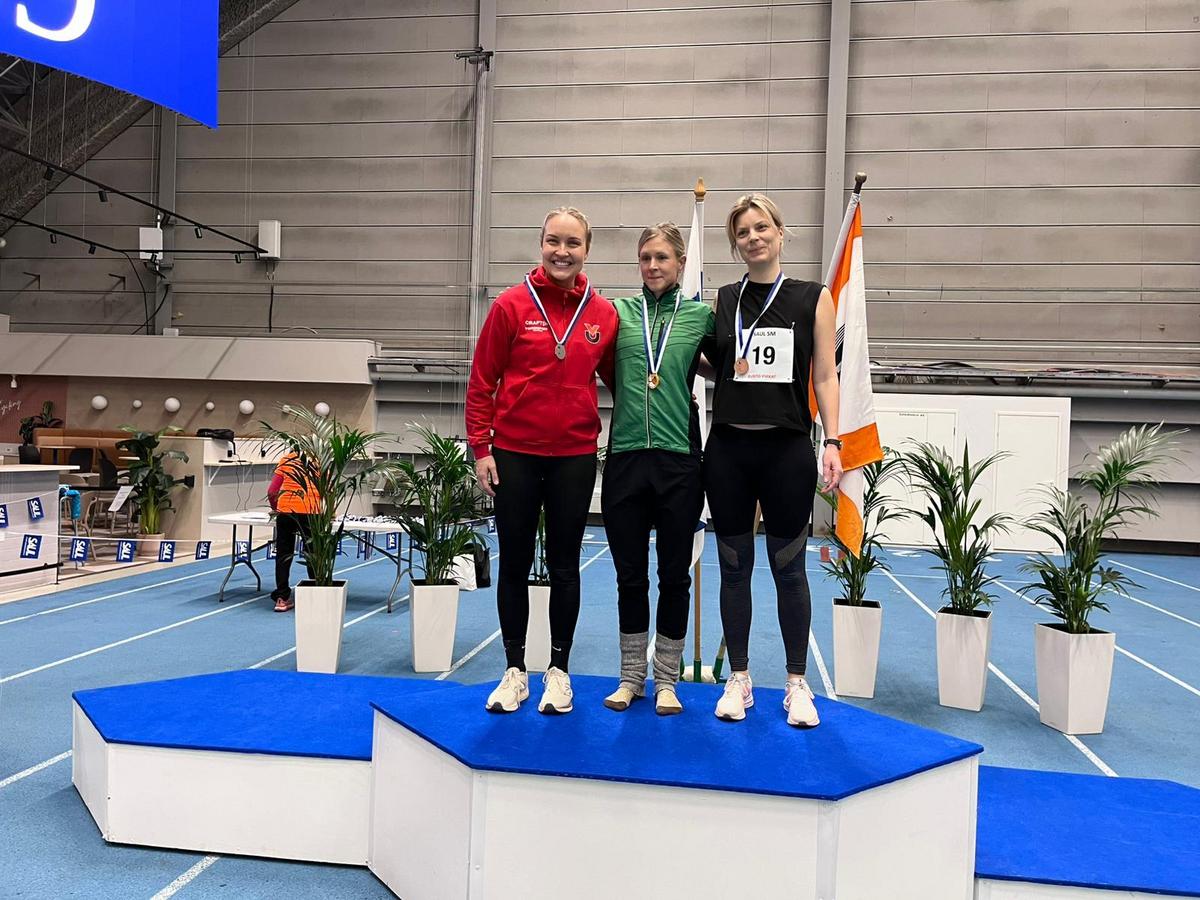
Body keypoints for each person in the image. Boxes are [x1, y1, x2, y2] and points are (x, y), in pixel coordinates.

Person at [466, 206, 618, 715]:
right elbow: (482, 381)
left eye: (573, 243)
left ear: (587, 250)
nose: (562, 252)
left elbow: (623, 379)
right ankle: (515, 671)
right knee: (513, 562)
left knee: (565, 566)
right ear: (541, 244)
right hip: (514, 455)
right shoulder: (510, 305)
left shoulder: (603, 314)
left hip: (574, 456)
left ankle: (559, 671)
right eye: (554, 241)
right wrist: (481, 448)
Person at [703, 193, 842, 727]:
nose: (753, 237)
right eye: (742, 232)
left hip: (786, 451)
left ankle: (796, 682)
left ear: (780, 233)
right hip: (729, 452)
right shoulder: (723, 299)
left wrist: (833, 440)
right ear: (735, 244)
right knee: (733, 568)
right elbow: (713, 362)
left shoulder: (813, 297)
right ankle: (739, 678)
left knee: (789, 568)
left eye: (762, 227)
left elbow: (824, 375)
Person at [601, 223, 714, 716]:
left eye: (662, 257)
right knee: (630, 577)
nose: (652, 266)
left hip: (679, 461)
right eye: (645, 257)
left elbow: (734, 366)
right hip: (625, 457)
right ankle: (631, 678)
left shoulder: (700, 316)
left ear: (681, 263)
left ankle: (667, 680)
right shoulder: (618, 313)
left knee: (674, 576)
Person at [267, 451, 318, 612]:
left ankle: (282, 598)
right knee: (312, 553)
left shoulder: (287, 460)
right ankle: (316, 594)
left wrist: (275, 508)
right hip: (311, 511)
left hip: (286, 510)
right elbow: (328, 490)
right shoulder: (318, 461)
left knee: (283, 554)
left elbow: (272, 491)